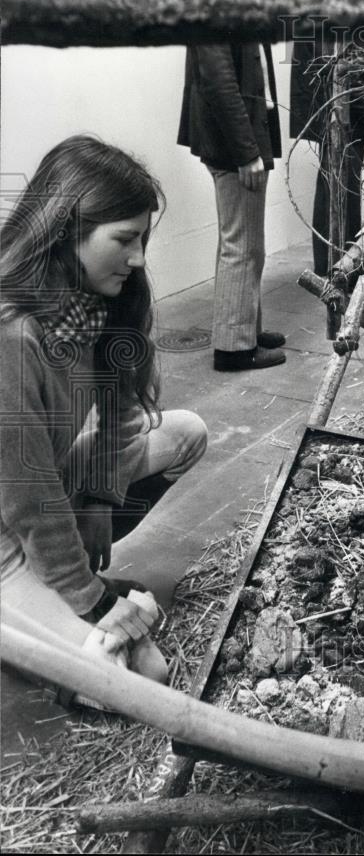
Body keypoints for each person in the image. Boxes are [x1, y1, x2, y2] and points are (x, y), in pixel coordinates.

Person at [0, 135, 208, 705]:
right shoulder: (12, 334)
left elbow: (120, 411)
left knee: (186, 432)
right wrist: (94, 601)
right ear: (67, 230)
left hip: (47, 487)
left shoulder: (98, 300)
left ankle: (57, 594)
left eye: (142, 237)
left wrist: (99, 497)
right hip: (8, 526)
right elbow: (25, 495)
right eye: (125, 239)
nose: (139, 256)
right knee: (139, 679)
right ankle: (42, 601)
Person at [178, 0, 285, 371]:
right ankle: (234, 347)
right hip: (230, 139)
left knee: (248, 241)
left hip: (240, 132)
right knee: (241, 243)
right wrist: (245, 151)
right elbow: (216, 75)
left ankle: (245, 325)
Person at [290, 35, 364, 278]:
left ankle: (334, 264)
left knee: (335, 186)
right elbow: (339, 65)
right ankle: (341, 266)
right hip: (344, 112)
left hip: (338, 109)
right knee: (342, 188)